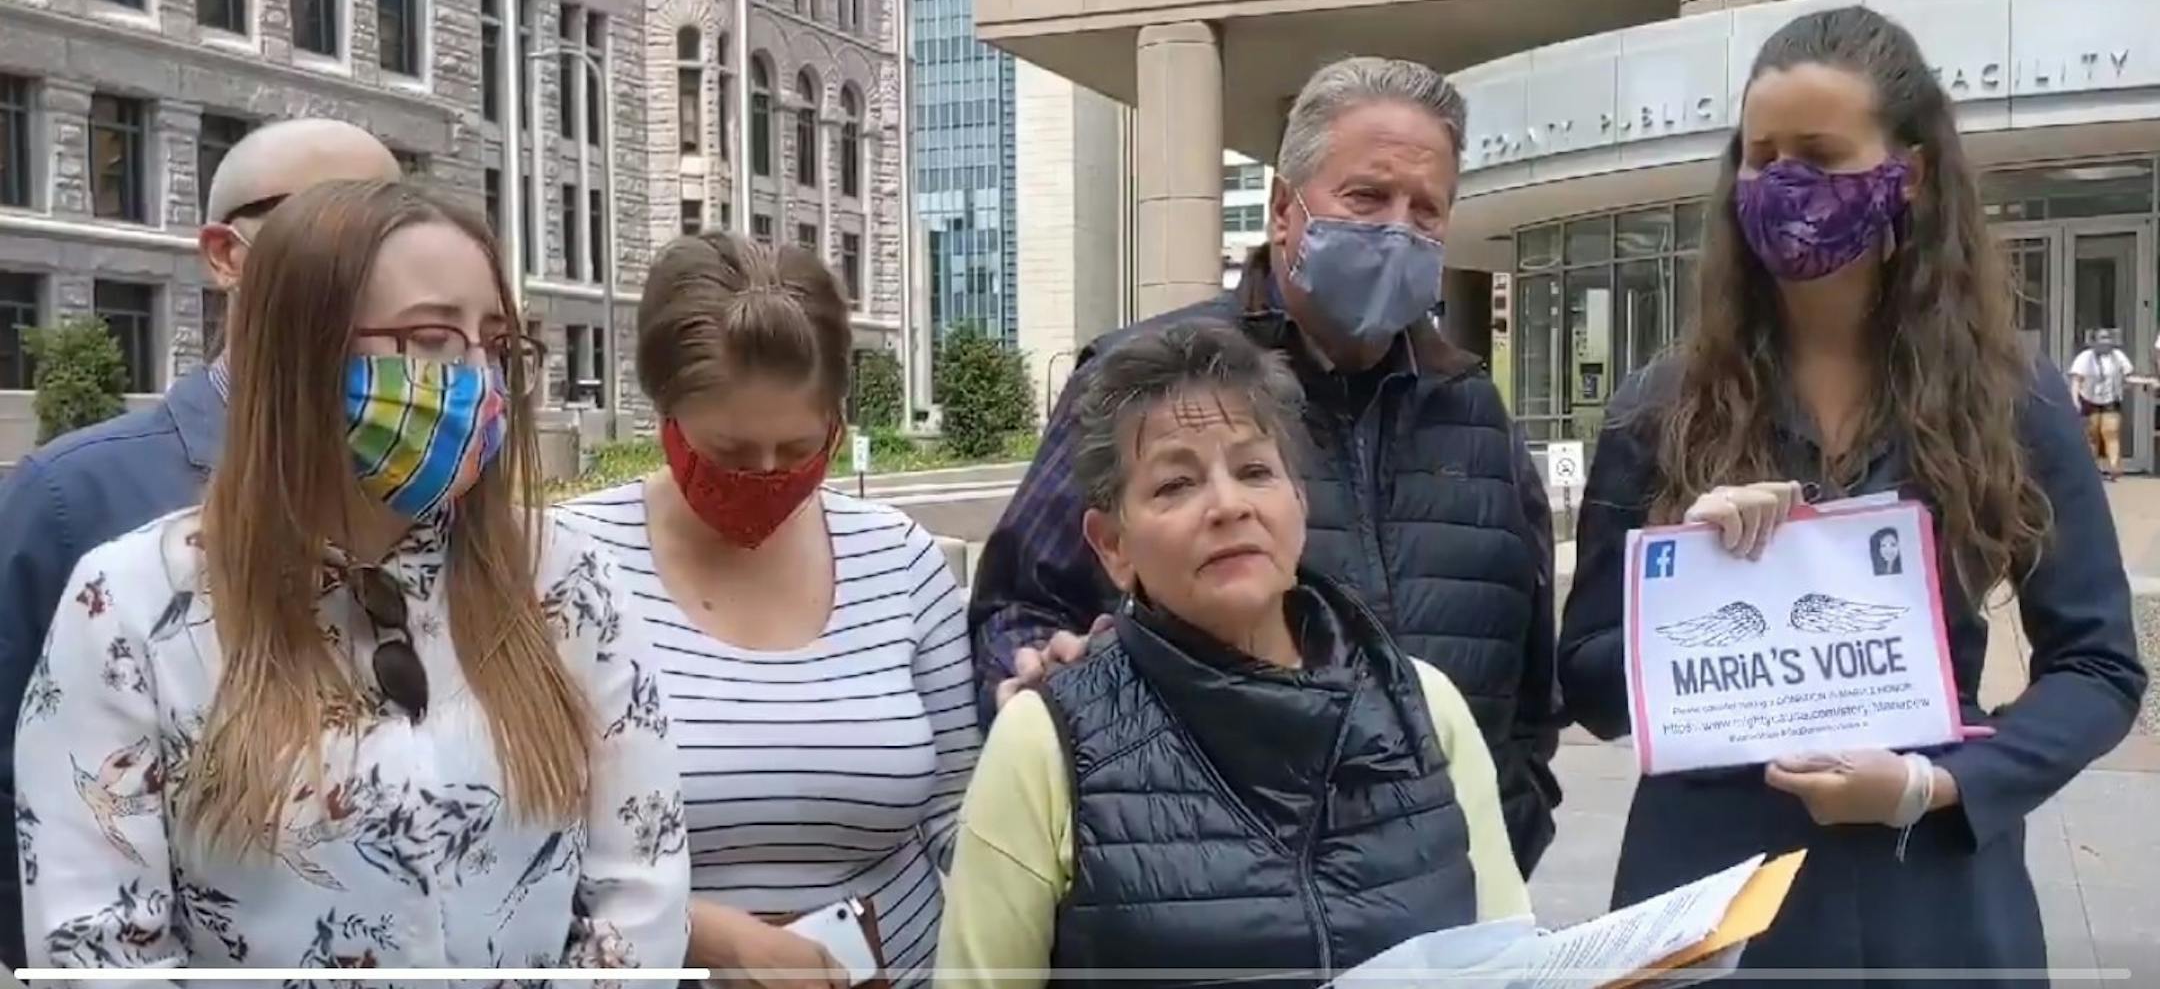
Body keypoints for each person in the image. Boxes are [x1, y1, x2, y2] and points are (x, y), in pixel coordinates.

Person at [1558, 7, 2146, 981]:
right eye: (1761, 155)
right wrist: (1683, 587)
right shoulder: (1658, 408)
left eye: (1820, 156)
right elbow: (1588, 686)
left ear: (1905, 174)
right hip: (1711, 903)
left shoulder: (2013, 399)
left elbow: (2100, 668)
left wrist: (1935, 784)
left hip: (1935, 907)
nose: (1783, 181)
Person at [14, 181, 690, 970]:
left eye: (497, 344)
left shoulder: (569, 586)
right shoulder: (131, 606)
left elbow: (638, 888)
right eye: (434, 339)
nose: (479, 379)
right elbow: (96, 948)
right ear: (303, 353)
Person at [967, 56, 1561, 874]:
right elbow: (1019, 609)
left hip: (1453, 900)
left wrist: (1517, 816)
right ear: (1285, 210)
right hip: (1218, 899)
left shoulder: (1472, 406)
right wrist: (1030, 671)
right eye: (1366, 198)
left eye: (1426, 210)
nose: (1397, 230)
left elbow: (1530, 684)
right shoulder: (1142, 381)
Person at [937, 321, 1528, 988]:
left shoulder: (1422, 707)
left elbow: (1508, 961)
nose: (1227, 505)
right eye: (1174, 485)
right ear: (1111, 545)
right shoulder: (1045, 745)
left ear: (1299, 505)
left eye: (1254, 471)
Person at [0, 118, 402, 966]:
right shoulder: (74, 500)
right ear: (226, 254)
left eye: (399, 225)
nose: (381, 265)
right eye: (338, 228)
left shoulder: (435, 484)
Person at [554, 232, 980, 987]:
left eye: (797, 448)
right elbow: (511, 850)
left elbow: (961, 814)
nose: (766, 476)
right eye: (729, 452)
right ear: (666, 414)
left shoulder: (901, 560)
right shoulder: (567, 566)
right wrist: (704, 935)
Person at [2067, 328, 2135, 480]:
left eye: (2108, 338)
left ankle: (2113, 467)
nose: (2105, 342)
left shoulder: (2118, 356)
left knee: (2111, 432)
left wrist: (2138, 383)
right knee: (2092, 436)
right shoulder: (2085, 357)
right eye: (2102, 338)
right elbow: (2076, 380)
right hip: (2089, 400)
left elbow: (2128, 376)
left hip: (2111, 399)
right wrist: (2074, 399)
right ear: (2094, 341)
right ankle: (2092, 468)